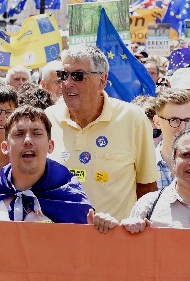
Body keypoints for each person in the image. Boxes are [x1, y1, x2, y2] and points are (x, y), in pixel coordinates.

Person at [46, 44, 158, 220]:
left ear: (102, 80)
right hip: (60, 234)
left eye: (78, 76)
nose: (68, 83)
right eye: (63, 75)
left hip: (115, 235)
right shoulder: (48, 119)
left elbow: (147, 188)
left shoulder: (133, 119)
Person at [144, 90, 190, 189]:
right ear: (157, 122)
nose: (182, 127)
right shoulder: (143, 166)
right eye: (174, 120)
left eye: (188, 120)